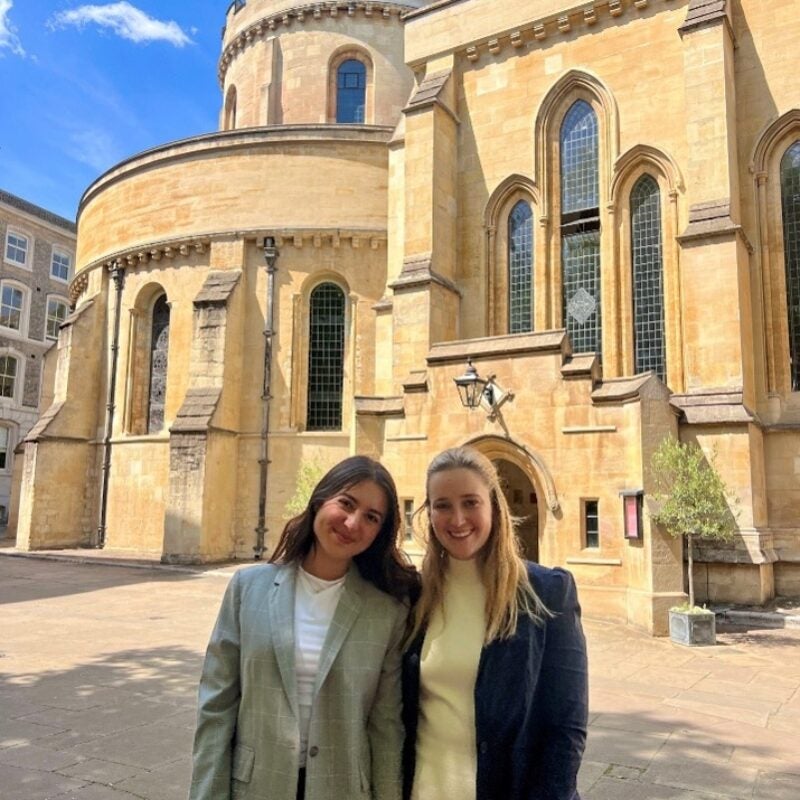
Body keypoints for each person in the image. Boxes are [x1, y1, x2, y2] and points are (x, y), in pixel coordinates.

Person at [190, 455, 418, 800]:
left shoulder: (386, 610)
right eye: (346, 503)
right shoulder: (247, 588)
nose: (352, 523)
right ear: (319, 500)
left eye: (371, 517)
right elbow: (217, 707)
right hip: (256, 786)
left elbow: (385, 725)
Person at [402, 447, 588, 800]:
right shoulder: (414, 595)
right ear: (429, 513)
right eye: (443, 505)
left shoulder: (548, 592)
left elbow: (566, 729)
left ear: (494, 507)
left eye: (470, 502)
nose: (457, 519)